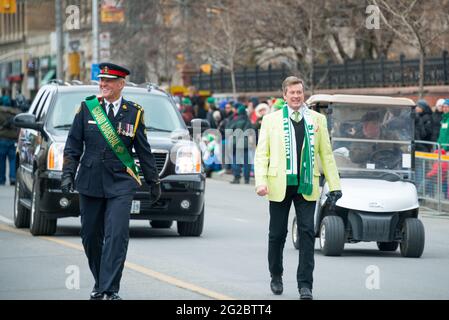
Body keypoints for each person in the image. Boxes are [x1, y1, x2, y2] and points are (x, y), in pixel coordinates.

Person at [62, 62, 161, 300]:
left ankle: (109, 289)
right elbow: (73, 145)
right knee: (90, 235)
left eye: (108, 81)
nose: (103, 84)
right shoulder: (88, 108)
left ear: (121, 84)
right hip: (90, 180)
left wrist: (153, 181)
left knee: (117, 235)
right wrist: (67, 173)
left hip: (120, 182)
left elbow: (144, 151)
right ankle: (100, 282)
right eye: (101, 81)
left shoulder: (134, 112)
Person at [254, 76, 342, 300]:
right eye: (291, 93)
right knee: (277, 234)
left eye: (299, 92)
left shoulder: (317, 120)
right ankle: (276, 274)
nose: (296, 96)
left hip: (306, 184)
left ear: (304, 94)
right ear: (284, 95)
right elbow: (262, 154)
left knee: (306, 234)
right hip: (278, 185)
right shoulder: (271, 120)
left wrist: (335, 185)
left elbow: (326, 154)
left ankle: (305, 285)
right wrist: (260, 182)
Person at [0, 104, 21, 185]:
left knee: (1, 160)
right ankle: (13, 178)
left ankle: (1, 179)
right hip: (13, 139)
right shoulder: (16, 112)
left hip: (2, 138)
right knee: (13, 160)